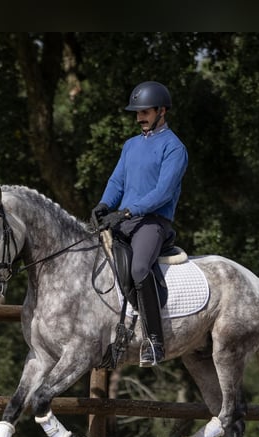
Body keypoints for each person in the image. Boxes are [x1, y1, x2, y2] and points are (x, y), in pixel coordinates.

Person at [91, 81, 188, 367]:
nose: (139, 117)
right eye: (137, 113)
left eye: (145, 112)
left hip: (152, 222)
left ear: (161, 111)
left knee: (139, 268)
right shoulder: (131, 145)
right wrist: (104, 204)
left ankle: (155, 341)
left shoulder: (174, 148)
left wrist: (128, 211)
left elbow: (163, 193)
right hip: (126, 218)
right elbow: (117, 181)